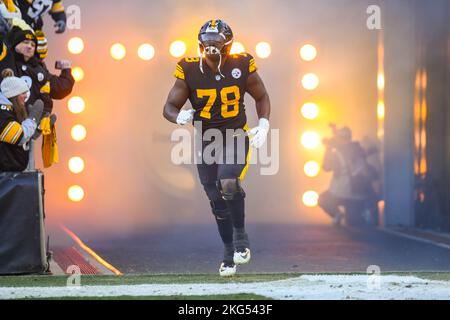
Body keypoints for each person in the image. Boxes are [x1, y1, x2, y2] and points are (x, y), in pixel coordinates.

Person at [163, 19, 271, 276]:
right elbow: (168, 106)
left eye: (216, 41)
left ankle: (241, 237)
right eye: (207, 40)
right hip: (206, 138)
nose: (211, 46)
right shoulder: (188, 68)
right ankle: (228, 252)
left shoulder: (242, 63)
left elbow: (261, 96)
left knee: (229, 182)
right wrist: (177, 116)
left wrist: (264, 124)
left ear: (228, 44)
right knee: (215, 198)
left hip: (235, 133)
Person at [318, 125, 378, 226]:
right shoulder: (359, 150)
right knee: (354, 223)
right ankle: (363, 215)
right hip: (359, 195)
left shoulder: (337, 153)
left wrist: (328, 148)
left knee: (323, 199)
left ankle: (337, 214)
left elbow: (326, 167)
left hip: (339, 194)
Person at [0, 68, 42, 171]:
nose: (25, 96)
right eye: (23, 93)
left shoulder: (10, 110)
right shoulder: (2, 114)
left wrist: (37, 128)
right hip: (4, 177)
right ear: (13, 95)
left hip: (9, 175)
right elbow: (20, 137)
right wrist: (32, 119)